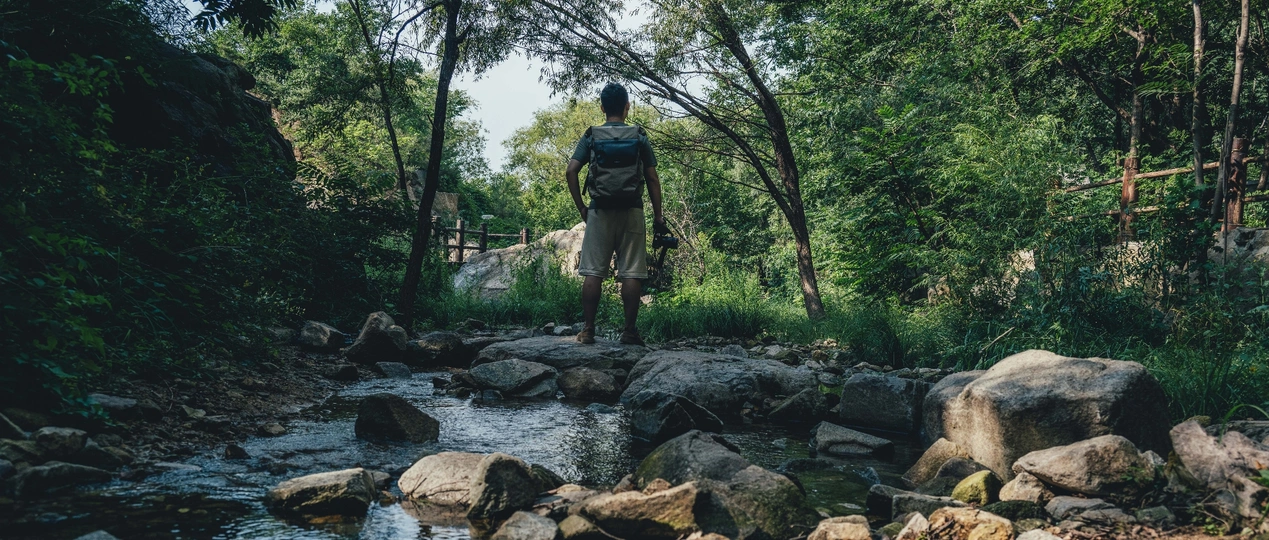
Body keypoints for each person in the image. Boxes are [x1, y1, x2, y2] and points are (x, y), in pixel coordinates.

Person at [565, 82, 667, 345]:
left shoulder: (592, 135)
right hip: (632, 209)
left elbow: (571, 170)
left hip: (599, 211)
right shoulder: (639, 136)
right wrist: (658, 216)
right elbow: (652, 178)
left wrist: (582, 208)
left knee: (593, 271)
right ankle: (629, 332)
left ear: (601, 108)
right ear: (627, 107)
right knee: (632, 272)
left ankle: (588, 330)